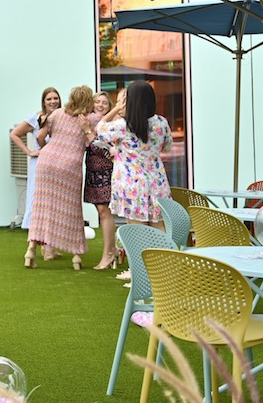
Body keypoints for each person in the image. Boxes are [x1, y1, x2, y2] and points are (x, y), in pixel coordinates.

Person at [26, 85, 98, 270]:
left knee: (41, 207)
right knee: (72, 210)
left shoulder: (57, 114)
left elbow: (40, 136)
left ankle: (31, 251)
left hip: (46, 162)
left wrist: (46, 149)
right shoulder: (90, 119)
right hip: (70, 166)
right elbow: (95, 141)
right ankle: (76, 257)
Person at [97, 81, 173, 232]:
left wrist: (117, 108)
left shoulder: (123, 126)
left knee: (138, 230)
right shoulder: (161, 123)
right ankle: (164, 249)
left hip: (130, 183)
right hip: (157, 182)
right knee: (159, 226)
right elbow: (167, 147)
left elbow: (100, 129)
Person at [9, 87, 60, 231]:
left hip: (58, 162)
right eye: (49, 99)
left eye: (55, 98)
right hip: (40, 162)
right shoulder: (36, 118)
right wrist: (29, 152)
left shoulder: (63, 116)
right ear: (43, 102)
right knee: (37, 196)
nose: (53, 102)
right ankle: (35, 232)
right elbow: (14, 134)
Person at [85, 92, 117, 269]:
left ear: (110, 106)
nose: (100, 105)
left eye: (104, 103)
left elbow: (107, 150)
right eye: (97, 102)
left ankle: (109, 254)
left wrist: (89, 134)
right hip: (92, 170)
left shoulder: (112, 124)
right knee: (101, 210)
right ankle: (113, 250)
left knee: (104, 210)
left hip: (106, 171)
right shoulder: (89, 121)